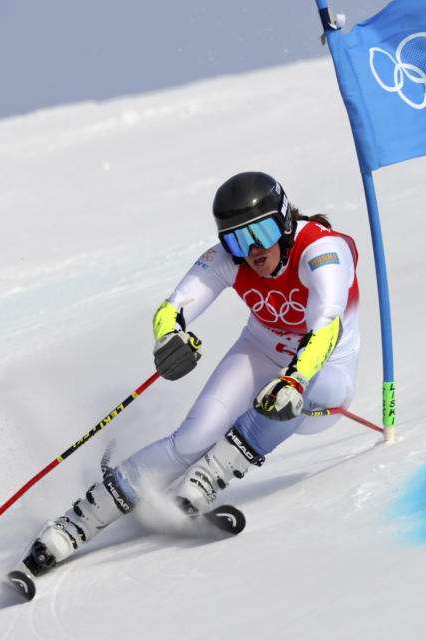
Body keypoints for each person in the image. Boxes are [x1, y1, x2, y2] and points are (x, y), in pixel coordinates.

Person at [23, 171, 360, 573]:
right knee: (192, 438)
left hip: (327, 374)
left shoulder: (321, 250)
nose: (252, 249)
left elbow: (327, 324)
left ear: (285, 221)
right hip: (260, 351)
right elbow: (173, 309)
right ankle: (73, 524)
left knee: (288, 397)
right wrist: (169, 338)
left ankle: (204, 479)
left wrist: (294, 378)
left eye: (262, 231)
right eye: (237, 238)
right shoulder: (229, 261)